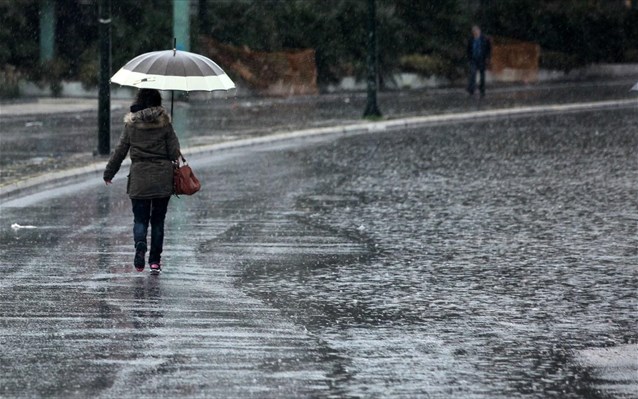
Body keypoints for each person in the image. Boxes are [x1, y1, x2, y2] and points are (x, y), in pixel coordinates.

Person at [103, 89, 181, 274]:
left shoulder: (132, 124)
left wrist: (109, 173)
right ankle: (155, 261)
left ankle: (140, 246)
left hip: (139, 178)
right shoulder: (165, 124)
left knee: (140, 220)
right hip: (162, 179)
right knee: (158, 221)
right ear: (158, 102)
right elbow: (173, 152)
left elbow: (120, 151)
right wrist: (171, 131)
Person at [466, 25, 492, 98]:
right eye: (474, 32)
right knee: (472, 73)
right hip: (473, 59)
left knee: (482, 75)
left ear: (479, 31)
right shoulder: (471, 40)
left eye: (476, 31)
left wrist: (488, 58)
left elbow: (489, 49)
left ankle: (482, 89)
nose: (475, 33)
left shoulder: (485, 39)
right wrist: (469, 58)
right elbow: (468, 50)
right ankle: (471, 89)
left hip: (482, 59)